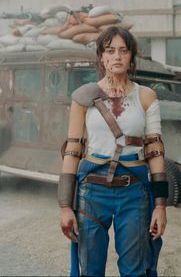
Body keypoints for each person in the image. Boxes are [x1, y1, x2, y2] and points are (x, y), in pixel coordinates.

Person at [58, 26, 168, 277]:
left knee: (135, 270)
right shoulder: (83, 97)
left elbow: (155, 151)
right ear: (101, 56)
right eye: (110, 51)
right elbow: (73, 150)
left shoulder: (146, 96)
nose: (117, 56)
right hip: (92, 191)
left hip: (134, 191)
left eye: (123, 50)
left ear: (131, 57)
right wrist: (65, 206)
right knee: (91, 269)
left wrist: (160, 206)